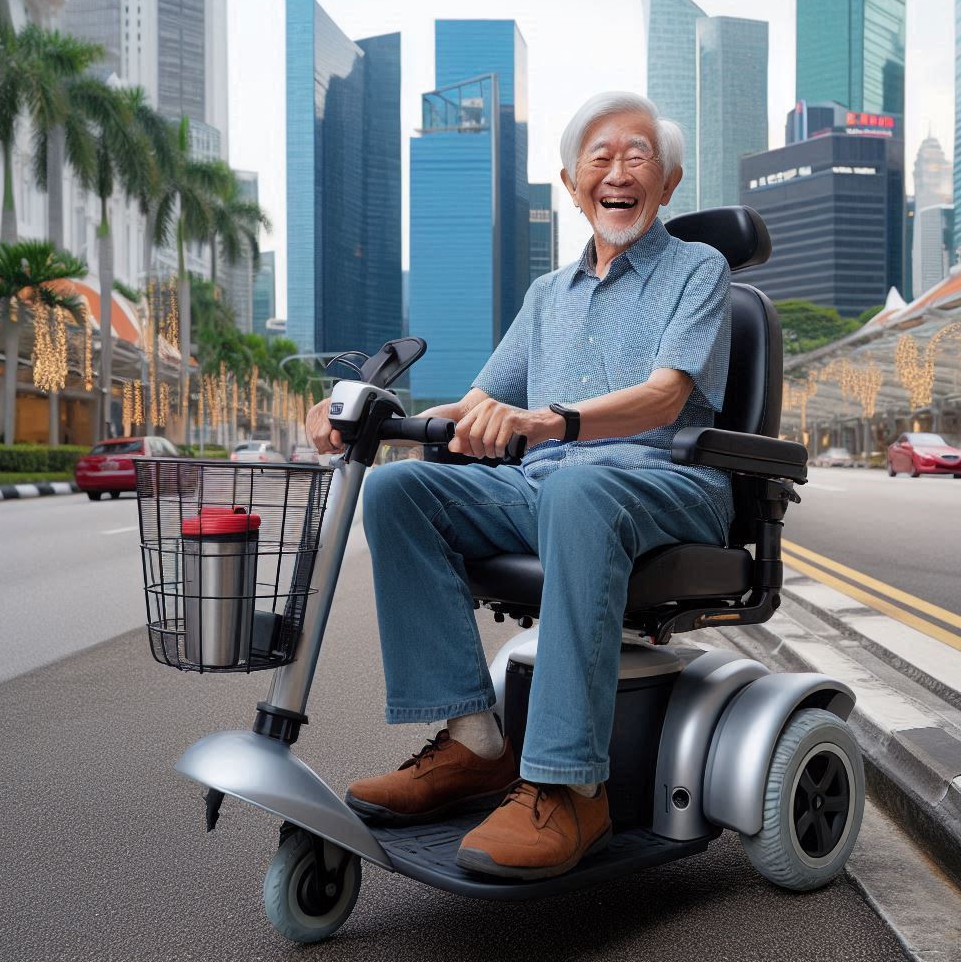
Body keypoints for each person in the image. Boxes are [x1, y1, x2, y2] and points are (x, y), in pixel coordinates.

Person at [307, 92, 731, 880]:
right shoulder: (546, 297)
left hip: (665, 486)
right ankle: (474, 743)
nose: (618, 171)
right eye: (599, 158)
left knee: (577, 491)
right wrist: (367, 414)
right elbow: (473, 405)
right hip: (549, 492)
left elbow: (668, 397)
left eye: (637, 155)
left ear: (667, 183)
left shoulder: (697, 270)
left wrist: (550, 424)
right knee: (397, 494)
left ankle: (572, 789)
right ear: (572, 183)